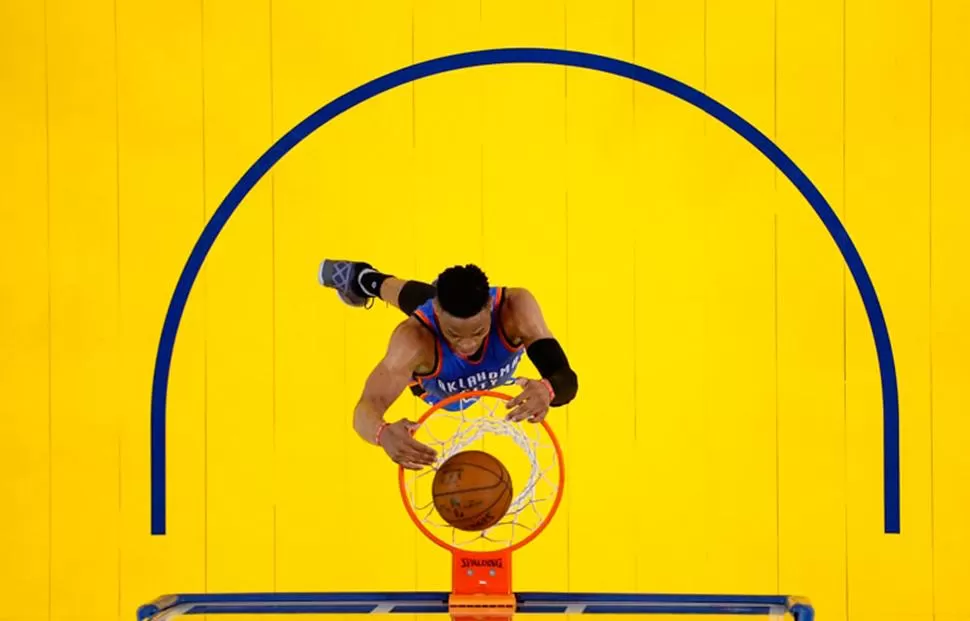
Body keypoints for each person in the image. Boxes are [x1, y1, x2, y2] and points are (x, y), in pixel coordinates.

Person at [318, 259, 578, 469]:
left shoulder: (515, 308)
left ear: (489, 306)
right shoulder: (412, 341)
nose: (467, 344)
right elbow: (364, 410)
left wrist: (548, 389)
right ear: (437, 311)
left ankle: (364, 278)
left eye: (478, 332)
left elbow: (566, 379)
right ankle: (369, 280)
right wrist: (381, 433)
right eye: (454, 335)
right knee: (423, 308)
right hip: (438, 393)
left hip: (457, 353)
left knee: (439, 301)